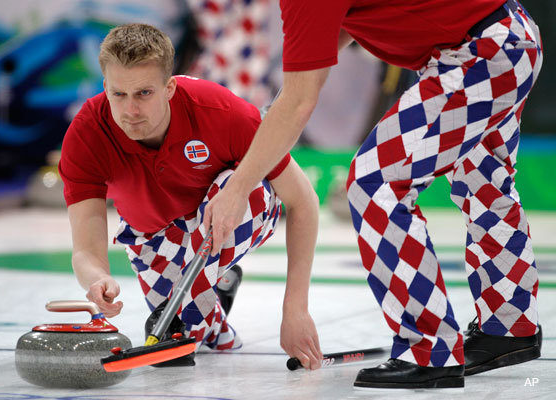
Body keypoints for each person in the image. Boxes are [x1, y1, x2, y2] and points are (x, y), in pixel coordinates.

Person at [204, 0, 542, 389]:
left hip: (476, 54)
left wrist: (237, 187)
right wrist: (278, 109)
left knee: (376, 183)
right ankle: (509, 326)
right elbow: (328, 43)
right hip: (513, 36)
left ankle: (428, 348)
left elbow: (300, 101)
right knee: (484, 184)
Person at [58, 23, 323, 369]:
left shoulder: (224, 113)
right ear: (105, 86)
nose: (130, 111)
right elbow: (85, 251)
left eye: (144, 94)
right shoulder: (85, 135)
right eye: (118, 95)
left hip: (238, 210)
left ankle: (200, 291)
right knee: (192, 339)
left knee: (176, 326)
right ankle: (220, 288)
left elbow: (304, 202)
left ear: (169, 88)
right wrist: (98, 279)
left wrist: (295, 309)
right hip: (152, 234)